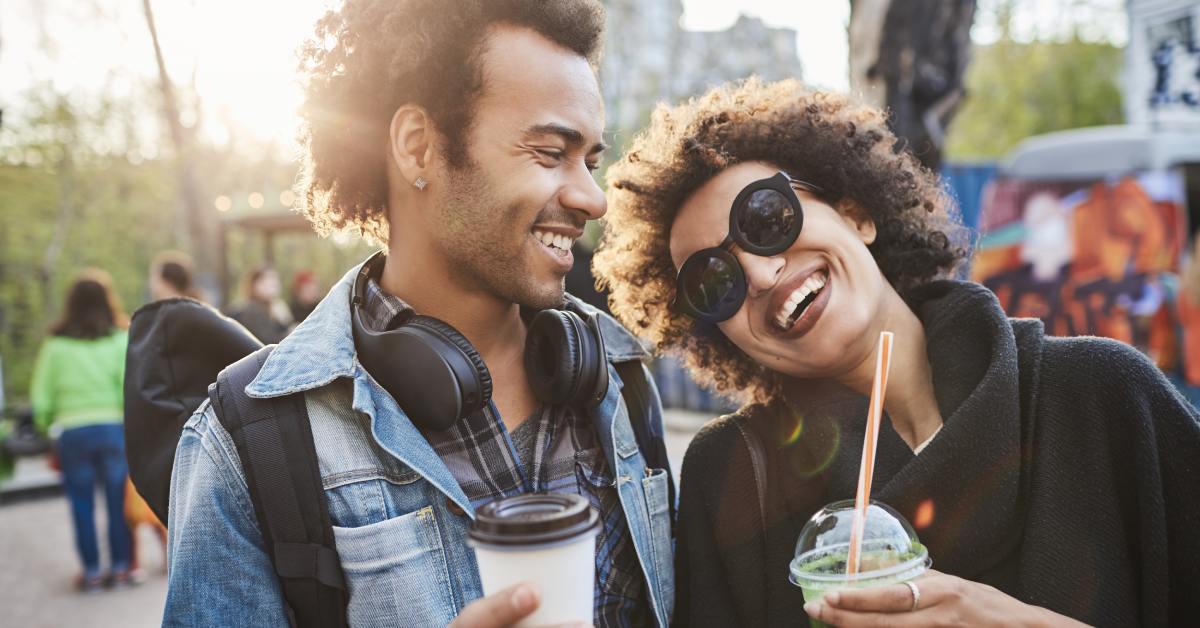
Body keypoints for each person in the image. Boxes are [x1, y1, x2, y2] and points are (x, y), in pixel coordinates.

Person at [594, 78, 1200, 626]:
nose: (758, 272)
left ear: (856, 214)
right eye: (713, 282)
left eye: (767, 217)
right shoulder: (731, 478)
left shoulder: (1102, 397)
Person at [164, 1, 673, 627]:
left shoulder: (620, 376)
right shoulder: (246, 441)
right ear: (418, 147)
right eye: (548, 153)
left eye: (589, 161)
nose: (592, 198)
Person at [30, 269, 134, 591]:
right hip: (113, 428)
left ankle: (90, 571)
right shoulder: (119, 338)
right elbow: (129, 386)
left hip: (73, 431)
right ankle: (120, 569)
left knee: (81, 503)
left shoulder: (56, 345)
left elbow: (41, 397)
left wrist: (47, 426)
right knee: (118, 502)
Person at [225, 266, 293, 344]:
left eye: (275, 279)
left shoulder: (275, 307)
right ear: (254, 285)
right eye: (267, 280)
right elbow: (268, 342)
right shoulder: (252, 310)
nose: (274, 284)